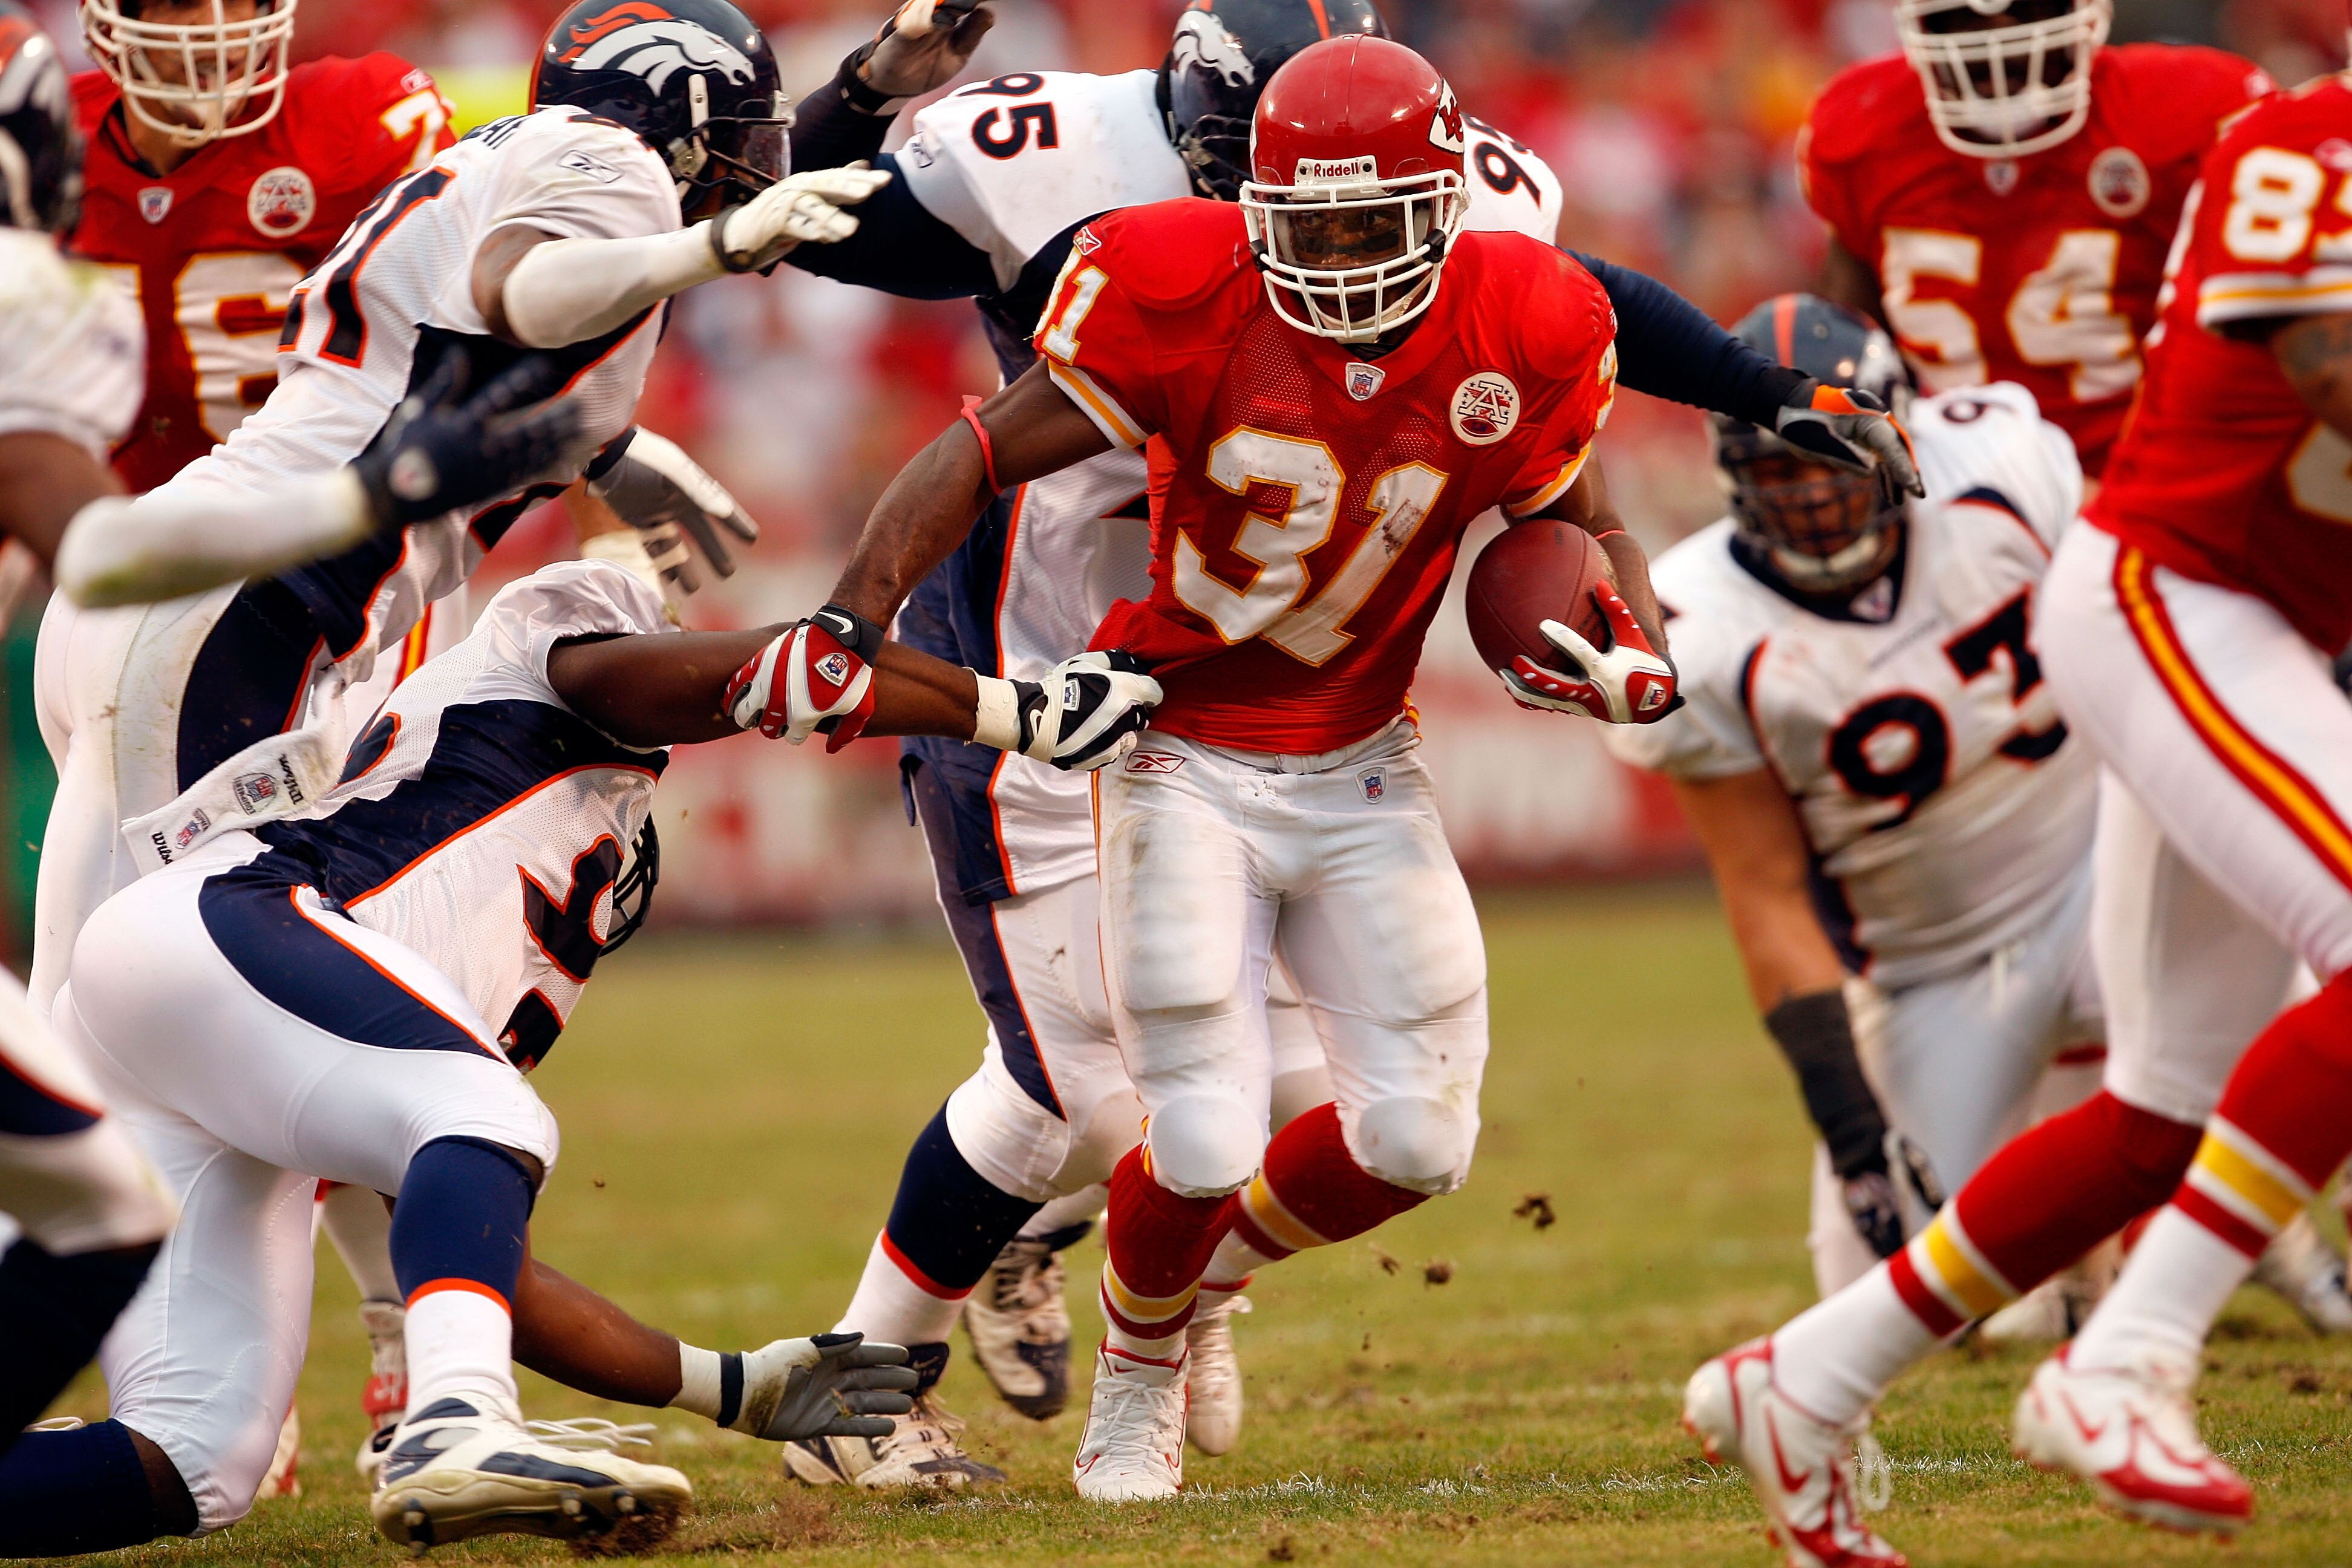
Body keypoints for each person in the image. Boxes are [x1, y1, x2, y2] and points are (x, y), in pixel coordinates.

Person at [776, 0, 1927, 1484]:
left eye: (1368, 221)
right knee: (1097, 1088)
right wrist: (866, 91)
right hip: (1042, 659)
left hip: (1291, 703)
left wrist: (1764, 391)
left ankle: (1138, 1274)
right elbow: (801, 228)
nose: (1324, 258)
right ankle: (880, 1384)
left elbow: (1595, 311)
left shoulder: (1458, 222)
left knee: (1268, 1102)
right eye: (1262, 193)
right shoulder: (1065, 175)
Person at [0, 552, 1159, 1554]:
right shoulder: (536, 664)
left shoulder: (548, 899)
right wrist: (1008, 707)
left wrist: (735, 1385)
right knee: (487, 1112)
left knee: (197, 1460)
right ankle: (457, 1425)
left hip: (207, 1024)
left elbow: (464, 1246)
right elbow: (760, 669)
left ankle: (452, 1415)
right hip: (225, 924)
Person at [1682, 73, 2352, 1564]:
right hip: (2180, 600)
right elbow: (2324, 363)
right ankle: (2123, 1361)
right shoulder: (2298, 143)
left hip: (2257, 627)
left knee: (2150, 1115)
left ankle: (1808, 1378)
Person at [1604, 295, 2100, 1306]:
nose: (1812, 495)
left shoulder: (1999, 469)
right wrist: (1849, 1124)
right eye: (1780, 464)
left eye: (1832, 458)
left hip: (2102, 873)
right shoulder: (1697, 623)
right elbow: (1766, 894)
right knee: (1886, 1287)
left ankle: (2238, 1231)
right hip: (1927, 968)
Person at [1804, 0, 2270, 477]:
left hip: (2144, 470)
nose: (1997, 47)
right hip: (1949, 477)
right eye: (1963, 20)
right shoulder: (1865, 124)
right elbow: (1848, 345)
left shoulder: (2182, 110)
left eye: (2028, 13)